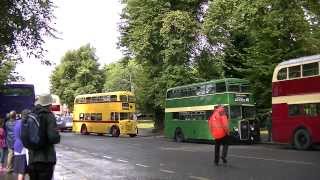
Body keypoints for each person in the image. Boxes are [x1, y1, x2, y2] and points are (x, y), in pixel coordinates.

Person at [27, 94, 60, 180]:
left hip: (32, 159)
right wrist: (57, 136)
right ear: (49, 104)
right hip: (46, 159)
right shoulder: (49, 116)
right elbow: (53, 137)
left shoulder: (31, 114)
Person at [13, 109, 30, 180]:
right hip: (22, 149)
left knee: (21, 171)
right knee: (21, 172)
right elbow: (24, 137)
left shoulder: (17, 122)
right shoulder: (23, 124)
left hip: (17, 147)